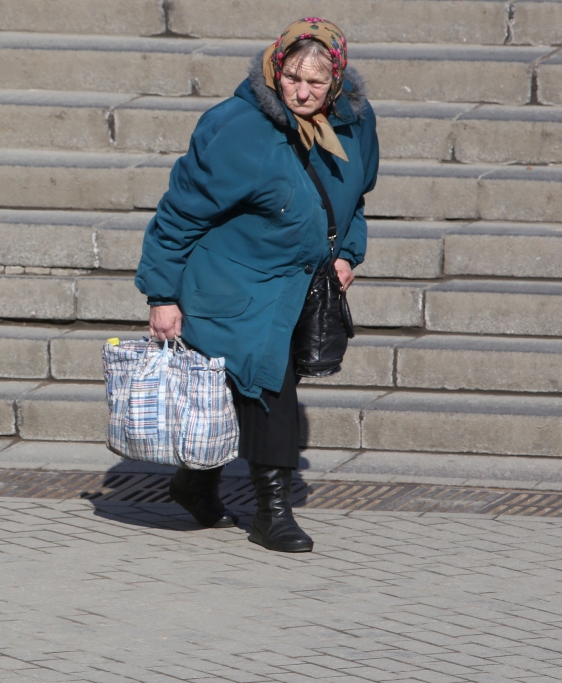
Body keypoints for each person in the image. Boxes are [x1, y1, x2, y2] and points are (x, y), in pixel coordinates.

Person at [135, 19, 379, 552]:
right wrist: (163, 296)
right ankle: (272, 512)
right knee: (269, 387)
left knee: (241, 389)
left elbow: (356, 197)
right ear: (276, 67)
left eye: (316, 83)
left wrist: (348, 254)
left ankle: (195, 484)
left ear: (336, 81)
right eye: (292, 77)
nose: (302, 92)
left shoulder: (355, 122)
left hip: (302, 283)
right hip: (232, 282)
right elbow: (179, 215)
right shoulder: (235, 127)